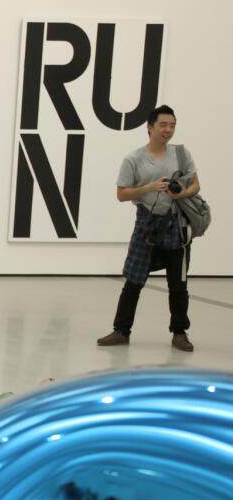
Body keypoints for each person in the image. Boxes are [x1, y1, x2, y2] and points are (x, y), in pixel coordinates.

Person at [97, 105, 201, 352]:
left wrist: (182, 193)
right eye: (164, 125)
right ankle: (121, 331)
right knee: (133, 279)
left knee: (178, 283)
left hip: (176, 224)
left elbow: (196, 185)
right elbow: (121, 194)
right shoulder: (133, 159)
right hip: (146, 223)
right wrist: (150, 187)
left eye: (173, 125)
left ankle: (179, 332)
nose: (169, 130)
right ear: (150, 127)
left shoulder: (181, 155)